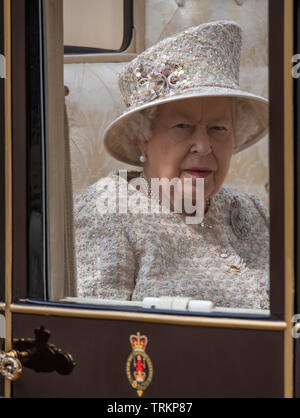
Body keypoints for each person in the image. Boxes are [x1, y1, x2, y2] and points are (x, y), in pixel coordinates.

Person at [73, 20, 269, 309]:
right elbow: (97, 338)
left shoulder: (253, 211)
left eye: (218, 128)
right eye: (182, 125)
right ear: (143, 138)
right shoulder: (106, 213)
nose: (203, 146)